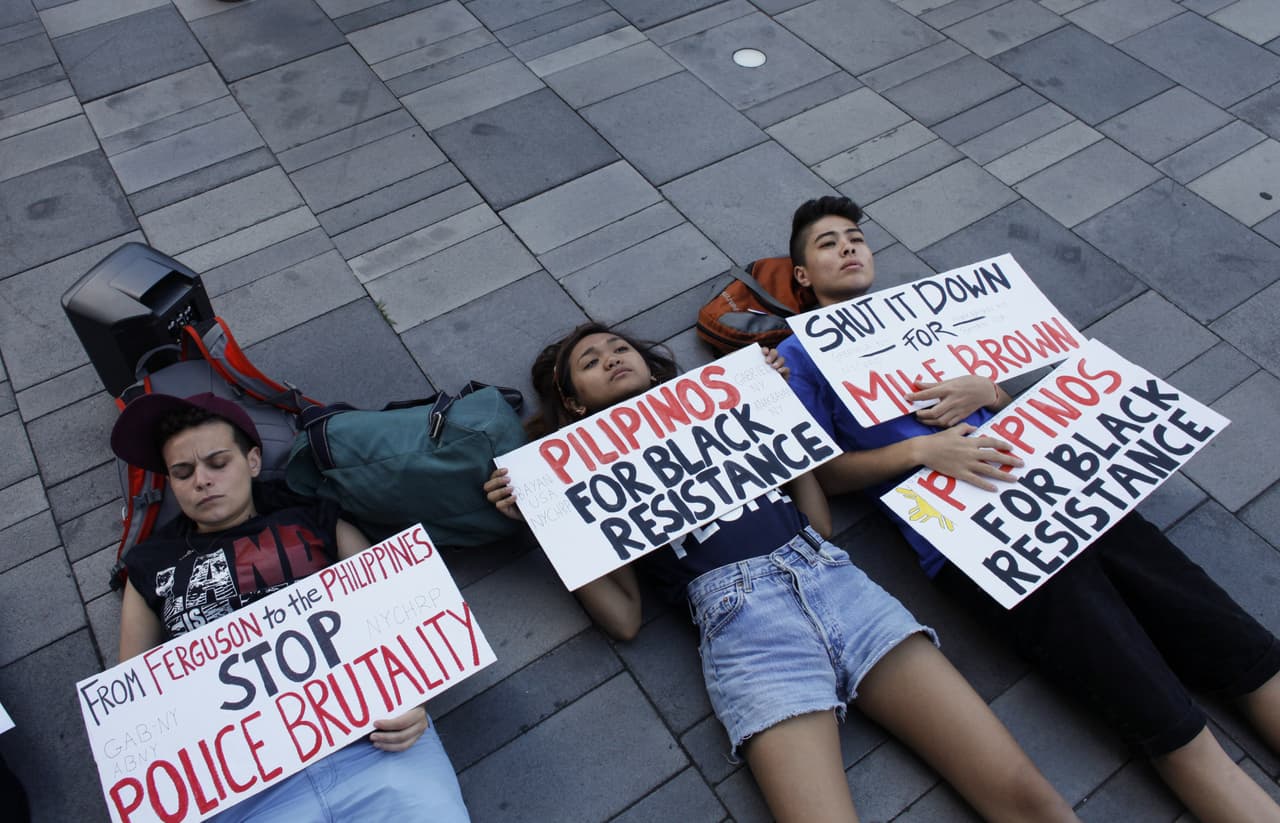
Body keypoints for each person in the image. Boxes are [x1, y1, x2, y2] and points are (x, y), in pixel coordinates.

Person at [778, 195, 1280, 823]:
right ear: (801, 275)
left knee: (1243, 651)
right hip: (984, 542)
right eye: (828, 243)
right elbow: (821, 473)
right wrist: (921, 452)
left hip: (1077, 493)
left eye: (855, 237)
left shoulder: (929, 317)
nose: (849, 247)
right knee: (1165, 719)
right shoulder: (794, 360)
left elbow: (1012, 402)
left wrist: (989, 388)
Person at [485, 323, 1077, 823]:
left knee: (1022, 792)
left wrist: (773, 412)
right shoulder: (583, 488)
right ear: (575, 404)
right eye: (590, 362)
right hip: (748, 635)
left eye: (619, 347)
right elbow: (625, 618)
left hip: (836, 584)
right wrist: (547, 521)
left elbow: (815, 523)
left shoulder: (725, 411)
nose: (612, 357)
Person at [111, 392, 470, 823]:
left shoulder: (313, 517)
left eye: (217, 463)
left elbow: (391, 606)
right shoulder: (149, 565)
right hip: (245, 790)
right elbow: (131, 698)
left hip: (371, 746)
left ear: (254, 461)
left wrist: (415, 695)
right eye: (182, 473)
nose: (201, 480)